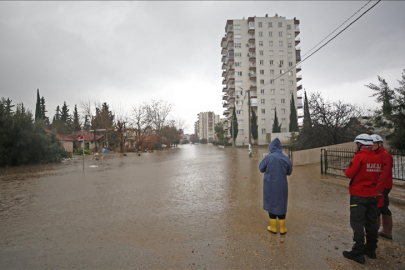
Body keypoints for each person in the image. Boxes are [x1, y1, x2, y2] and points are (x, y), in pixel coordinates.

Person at [342, 134, 382, 264]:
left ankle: (357, 252)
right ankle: (371, 250)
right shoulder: (377, 157)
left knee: (357, 223)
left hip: (359, 195)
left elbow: (349, 173)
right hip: (373, 195)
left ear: (360, 144)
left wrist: (347, 170)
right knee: (371, 223)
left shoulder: (359, 156)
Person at [259, 138, 292, 235]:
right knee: (281, 204)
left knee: (271, 204)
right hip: (282, 185)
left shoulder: (268, 158)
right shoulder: (285, 158)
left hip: (270, 186)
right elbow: (289, 172)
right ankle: (282, 228)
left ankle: (273, 227)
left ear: (271, 148)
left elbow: (261, 168)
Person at [371, 134, 394, 240]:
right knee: (384, 208)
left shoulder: (385, 155)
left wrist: (379, 188)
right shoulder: (376, 153)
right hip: (380, 186)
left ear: (380, 144)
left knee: (376, 208)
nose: (372, 145)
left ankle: (373, 232)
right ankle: (386, 231)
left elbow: (385, 173)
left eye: (374, 143)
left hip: (382, 187)